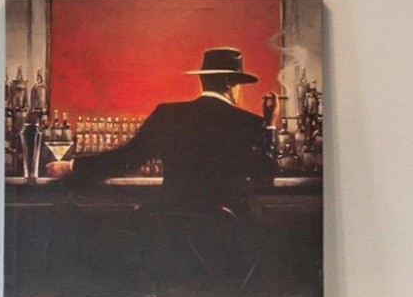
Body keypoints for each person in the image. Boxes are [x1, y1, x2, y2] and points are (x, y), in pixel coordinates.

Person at [66, 47, 274, 212]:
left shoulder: (168, 114)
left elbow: (128, 158)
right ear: (230, 83)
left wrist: (74, 166)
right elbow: (266, 172)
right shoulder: (250, 123)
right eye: (239, 84)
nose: (239, 91)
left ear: (203, 81)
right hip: (223, 232)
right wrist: (270, 124)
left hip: (171, 227)